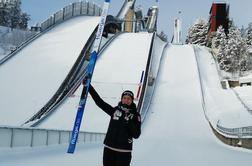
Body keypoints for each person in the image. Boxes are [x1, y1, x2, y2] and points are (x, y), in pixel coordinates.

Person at [88, 84, 141, 166]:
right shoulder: (115, 110)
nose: (126, 100)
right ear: (121, 99)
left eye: (129, 98)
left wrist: (128, 121)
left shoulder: (136, 115)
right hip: (109, 149)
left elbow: (136, 134)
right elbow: (100, 102)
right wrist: (89, 88)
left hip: (124, 152)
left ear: (132, 100)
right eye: (124, 98)